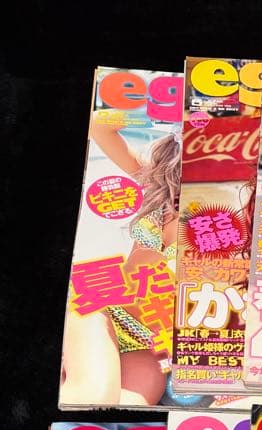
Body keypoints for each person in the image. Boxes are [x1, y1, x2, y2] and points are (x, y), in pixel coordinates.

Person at [62, 114, 182, 407]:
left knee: (125, 408)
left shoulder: (230, 219)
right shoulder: (156, 181)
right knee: (93, 398)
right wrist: (162, 110)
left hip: (148, 345)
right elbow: (98, 125)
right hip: (101, 307)